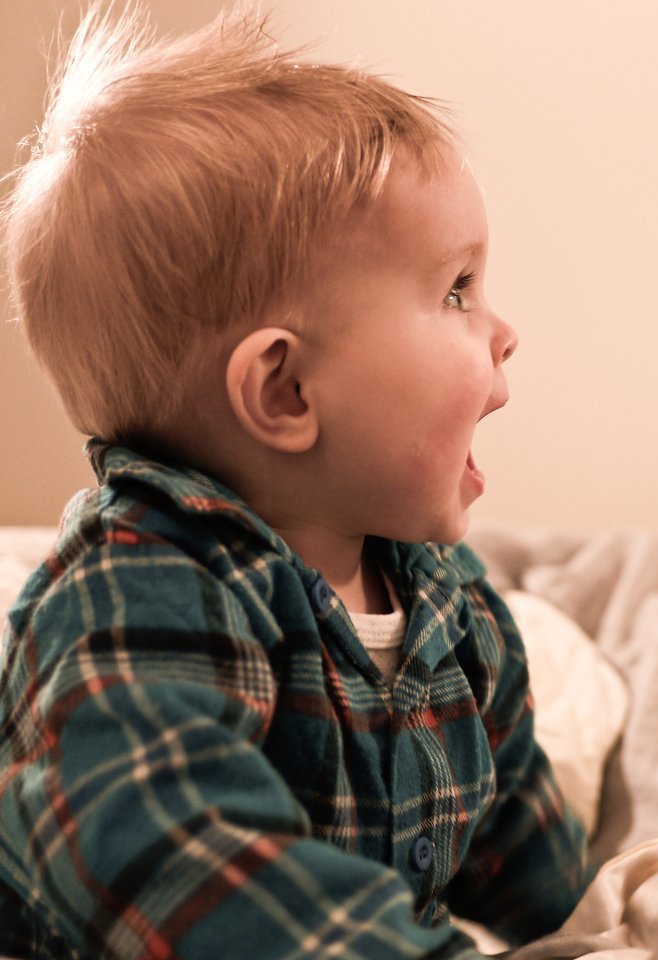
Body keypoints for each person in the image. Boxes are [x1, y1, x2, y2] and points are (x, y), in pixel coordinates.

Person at [0, 5, 589, 958]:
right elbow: (180, 862)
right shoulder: (138, 597)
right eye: (454, 290)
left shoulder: (457, 610)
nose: (501, 329)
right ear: (286, 389)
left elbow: (538, 880)